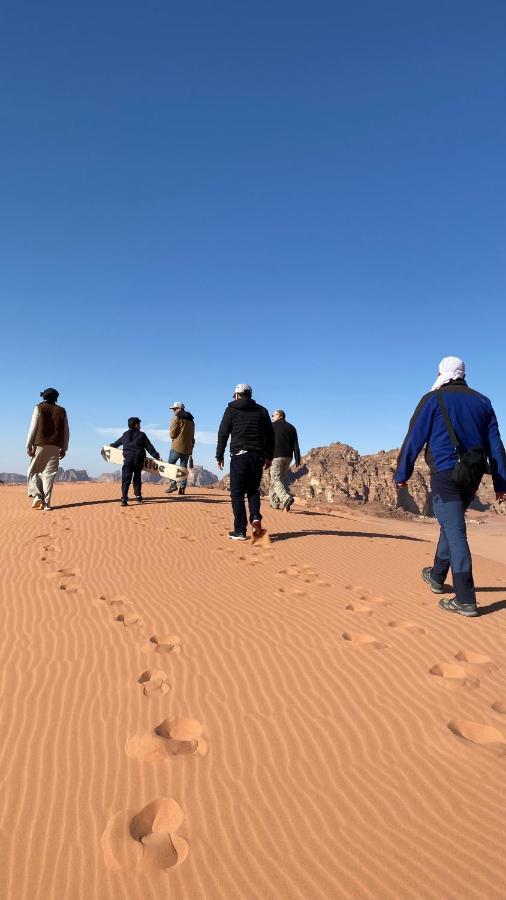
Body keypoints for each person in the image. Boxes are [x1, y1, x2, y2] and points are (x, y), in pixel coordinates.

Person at [396, 356, 506, 617]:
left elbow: (414, 438)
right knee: (451, 524)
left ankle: (466, 599)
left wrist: (402, 473)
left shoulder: (433, 399)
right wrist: (502, 483)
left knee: (455, 532)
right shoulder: (483, 402)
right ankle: (436, 576)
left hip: (445, 473)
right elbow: (496, 446)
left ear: (441, 372)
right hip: (473, 474)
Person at [216, 383, 274, 541]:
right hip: (257, 456)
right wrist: (269, 457)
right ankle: (255, 519)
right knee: (253, 490)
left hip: (239, 456)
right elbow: (270, 436)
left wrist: (219, 455)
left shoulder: (231, 409)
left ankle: (240, 531)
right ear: (250, 394)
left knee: (237, 493)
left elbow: (223, 433)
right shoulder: (262, 411)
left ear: (237, 395)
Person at [26, 387, 70, 511]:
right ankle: (47, 504)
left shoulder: (39, 407)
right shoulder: (62, 410)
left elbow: (33, 427)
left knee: (33, 472)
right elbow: (66, 431)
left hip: (40, 444)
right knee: (49, 475)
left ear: (44, 397)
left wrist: (29, 446)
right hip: (55, 446)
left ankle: (36, 496)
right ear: (56, 397)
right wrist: (64, 448)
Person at [109, 418, 161, 506]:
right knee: (137, 478)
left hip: (128, 460)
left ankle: (124, 499)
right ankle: (138, 497)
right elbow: (149, 447)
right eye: (139, 424)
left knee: (126, 479)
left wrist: (110, 446)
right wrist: (156, 456)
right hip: (138, 459)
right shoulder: (142, 435)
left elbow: (117, 443)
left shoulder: (125, 434)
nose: (140, 426)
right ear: (136, 425)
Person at [269, 409, 301, 511]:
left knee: (275, 479)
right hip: (288, 457)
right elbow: (296, 444)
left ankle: (286, 498)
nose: (272, 417)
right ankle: (274, 504)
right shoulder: (291, 427)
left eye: (273, 415)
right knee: (278, 480)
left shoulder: (271, 426)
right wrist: (297, 460)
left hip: (276, 456)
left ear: (279, 416)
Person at [166, 402, 195, 496]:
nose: (173, 411)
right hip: (187, 448)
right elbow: (192, 435)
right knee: (183, 468)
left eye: (174, 409)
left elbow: (172, 433)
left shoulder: (177, 417)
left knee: (170, 465)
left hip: (177, 446)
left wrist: (172, 436)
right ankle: (182, 488)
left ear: (179, 409)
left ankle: (172, 484)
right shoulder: (191, 420)